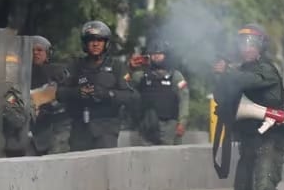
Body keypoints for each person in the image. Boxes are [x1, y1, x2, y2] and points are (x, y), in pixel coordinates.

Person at [213, 24, 284, 190]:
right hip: (249, 142)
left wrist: (226, 73)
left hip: (270, 142)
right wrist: (221, 76)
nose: (247, 49)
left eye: (252, 44)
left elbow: (244, 82)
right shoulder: (238, 72)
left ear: (260, 47)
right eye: (243, 44)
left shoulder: (265, 71)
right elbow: (221, 96)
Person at [58, 21, 138, 151]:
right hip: (79, 129)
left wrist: (108, 94)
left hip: (106, 128)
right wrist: (77, 93)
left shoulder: (117, 66)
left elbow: (131, 96)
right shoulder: (75, 65)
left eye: (100, 40)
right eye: (91, 40)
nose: (95, 44)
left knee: (105, 169)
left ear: (106, 43)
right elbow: (59, 92)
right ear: (85, 43)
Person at [130, 39, 189, 146]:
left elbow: (184, 99)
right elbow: (126, 84)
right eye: (153, 54)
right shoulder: (142, 75)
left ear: (166, 55)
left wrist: (182, 122)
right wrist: (130, 68)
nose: (156, 56)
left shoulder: (176, 76)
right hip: (147, 125)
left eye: (160, 53)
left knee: (168, 156)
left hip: (169, 125)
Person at [30, 35, 71, 155]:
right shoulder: (20, 72)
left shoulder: (57, 71)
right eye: (32, 50)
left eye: (39, 50)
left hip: (56, 127)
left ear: (48, 53)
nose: (35, 53)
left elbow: (62, 95)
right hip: (33, 129)